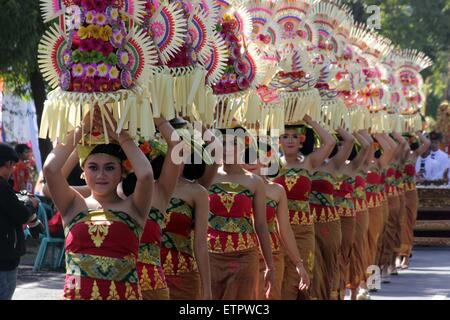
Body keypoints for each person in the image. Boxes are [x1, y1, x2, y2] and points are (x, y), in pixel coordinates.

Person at [43, 110, 154, 300]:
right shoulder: (72, 205)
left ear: (122, 172)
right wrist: (81, 129)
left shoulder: (133, 208)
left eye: (110, 168)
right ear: (83, 172)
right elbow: (50, 169)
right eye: (93, 167)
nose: (101, 175)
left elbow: (145, 175)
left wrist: (120, 135)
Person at [205, 126, 275, 300]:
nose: (228, 148)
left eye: (234, 143)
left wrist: (270, 267)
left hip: (245, 257)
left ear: (244, 146)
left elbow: (260, 225)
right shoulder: (207, 177)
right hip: (211, 255)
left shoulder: (255, 182)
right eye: (223, 142)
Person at [275, 115, 335, 300]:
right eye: (285, 136)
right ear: (278, 141)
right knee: (280, 280)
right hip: (276, 231)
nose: (290, 140)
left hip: (303, 231)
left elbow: (330, 142)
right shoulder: (271, 165)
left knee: (299, 281)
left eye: (295, 136)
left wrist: (311, 121)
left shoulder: (308, 163)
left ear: (301, 140)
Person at [122, 117, 183, 300]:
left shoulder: (161, 191)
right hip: (116, 289)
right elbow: (49, 186)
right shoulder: (109, 193)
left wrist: (154, 110)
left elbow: (176, 146)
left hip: (153, 288)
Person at [242, 139, 310, 300]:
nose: (251, 162)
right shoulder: (235, 189)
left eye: (256, 157)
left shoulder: (277, 191)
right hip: (242, 255)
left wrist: (299, 264)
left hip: (272, 257)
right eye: (246, 158)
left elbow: (284, 229)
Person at [160, 121, 212, 300]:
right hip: (147, 278)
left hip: (184, 278)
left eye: (181, 152)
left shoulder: (197, 192)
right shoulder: (141, 188)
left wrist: (207, 290)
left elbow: (200, 244)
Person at [0, 143, 39, 300]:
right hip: (4, 257)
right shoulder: (2, 187)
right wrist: (31, 204)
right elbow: (21, 214)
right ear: (9, 164)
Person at [397, 132, 430, 268]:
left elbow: (426, 144)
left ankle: (405, 256)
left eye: (407, 141)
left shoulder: (413, 156)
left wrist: (416, 132)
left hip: (410, 193)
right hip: (396, 193)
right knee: (397, 224)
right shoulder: (392, 158)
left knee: (407, 225)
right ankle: (396, 255)